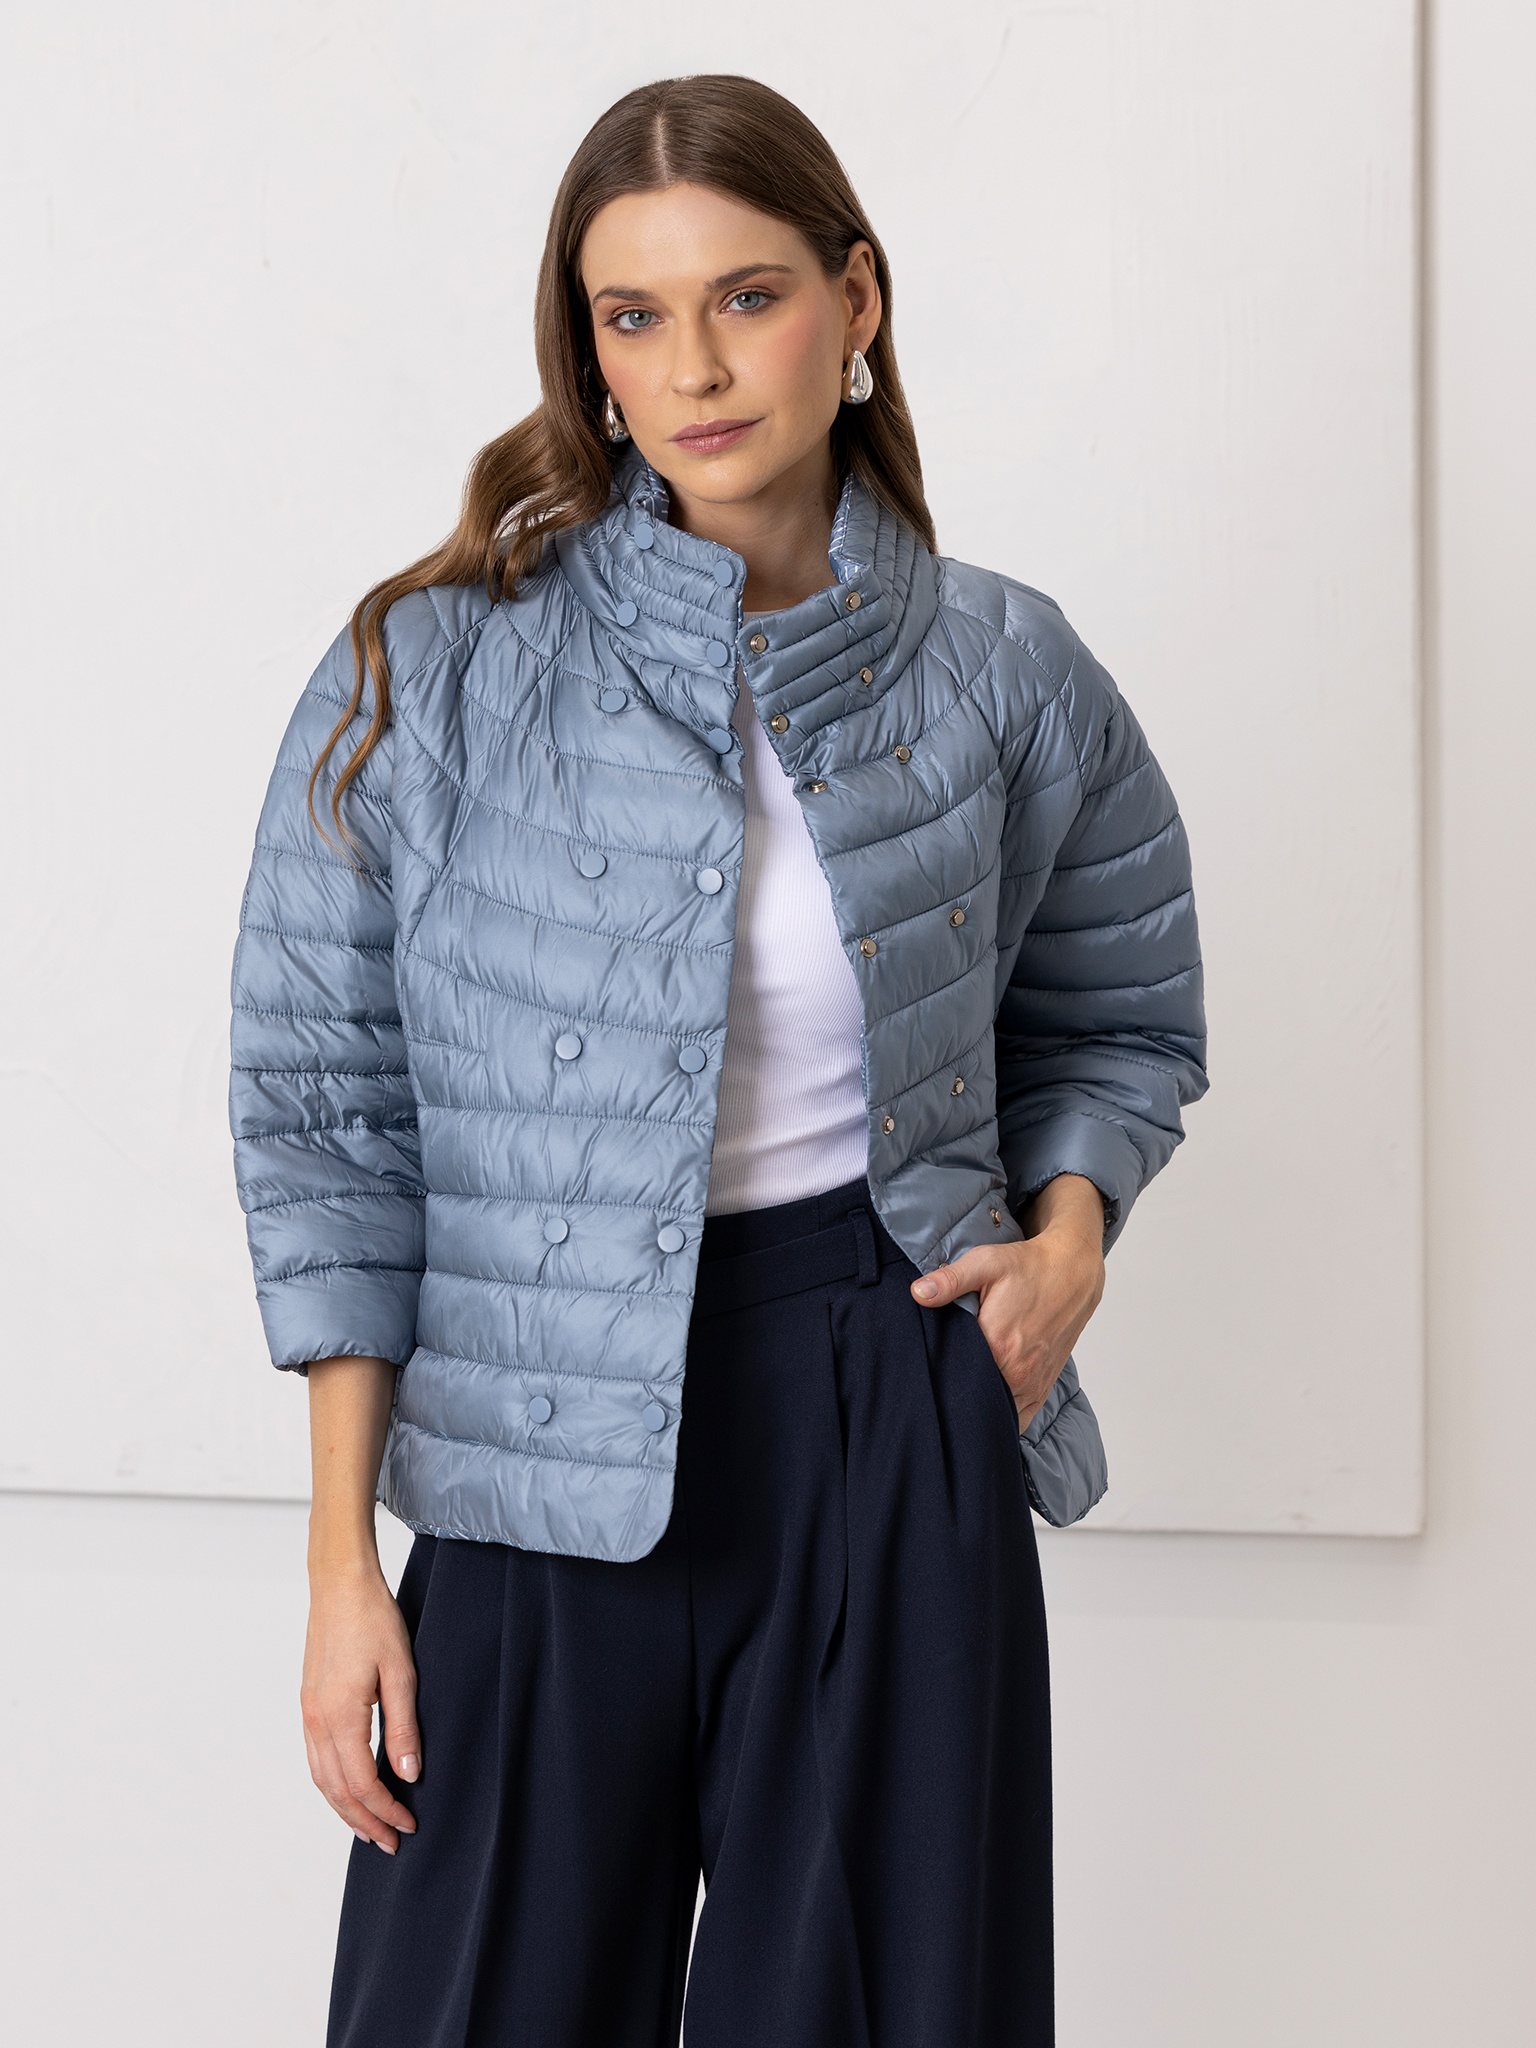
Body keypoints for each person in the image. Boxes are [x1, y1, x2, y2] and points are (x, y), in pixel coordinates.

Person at [230, 72, 1206, 2048]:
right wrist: (344, 1567)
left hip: (882, 1396)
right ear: (586, 355)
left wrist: (1070, 1241)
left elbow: (1119, 1009)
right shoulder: (433, 672)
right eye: (635, 314)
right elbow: (330, 1125)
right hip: (528, 1446)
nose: (694, 366)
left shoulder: (1004, 669)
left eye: (747, 297)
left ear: (856, 304)